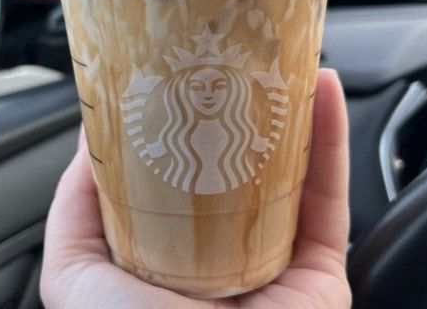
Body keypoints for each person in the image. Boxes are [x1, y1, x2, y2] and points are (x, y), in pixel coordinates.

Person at [41, 68, 351, 308]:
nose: (207, 95)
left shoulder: (243, 134)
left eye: (218, 86)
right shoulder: (171, 138)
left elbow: (268, 137)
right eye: (197, 86)